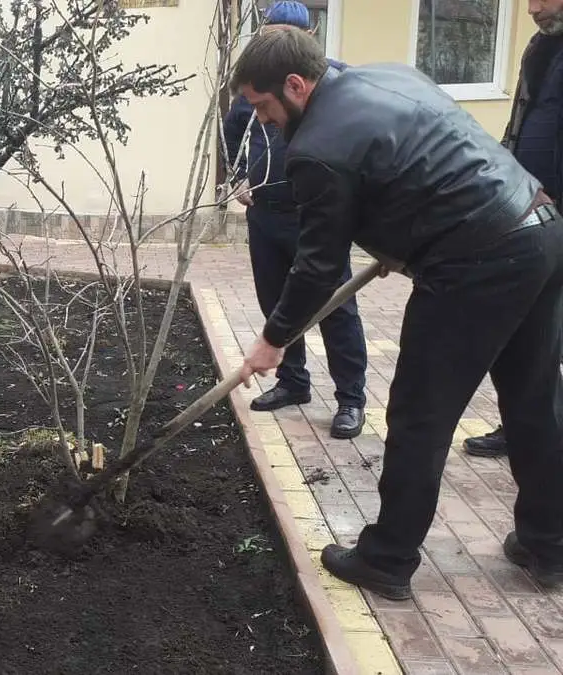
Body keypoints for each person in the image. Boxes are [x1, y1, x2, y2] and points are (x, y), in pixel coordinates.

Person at [232, 28, 563, 598]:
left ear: (294, 84)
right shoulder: (389, 75)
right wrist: (397, 240)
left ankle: (385, 559)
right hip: (541, 228)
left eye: (262, 107)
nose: (262, 122)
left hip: (477, 258)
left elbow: (316, 266)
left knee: (419, 415)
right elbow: (426, 162)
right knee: (534, 401)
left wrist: (274, 337)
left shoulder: (316, 148)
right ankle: (552, 545)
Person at [222, 1, 368, 439]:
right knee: (276, 301)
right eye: (270, 32)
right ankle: (293, 382)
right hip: (266, 212)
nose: (276, 40)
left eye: (287, 32)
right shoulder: (258, 86)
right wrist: (238, 177)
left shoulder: (330, 82)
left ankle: (351, 399)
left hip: (314, 213)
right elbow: (234, 127)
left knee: (333, 305)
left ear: (309, 35)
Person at [463, 0, 563, 459]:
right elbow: (519, 125)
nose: (533, 8)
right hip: (534, 214)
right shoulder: (540, 47)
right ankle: (522, 426)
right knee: (531, 329)